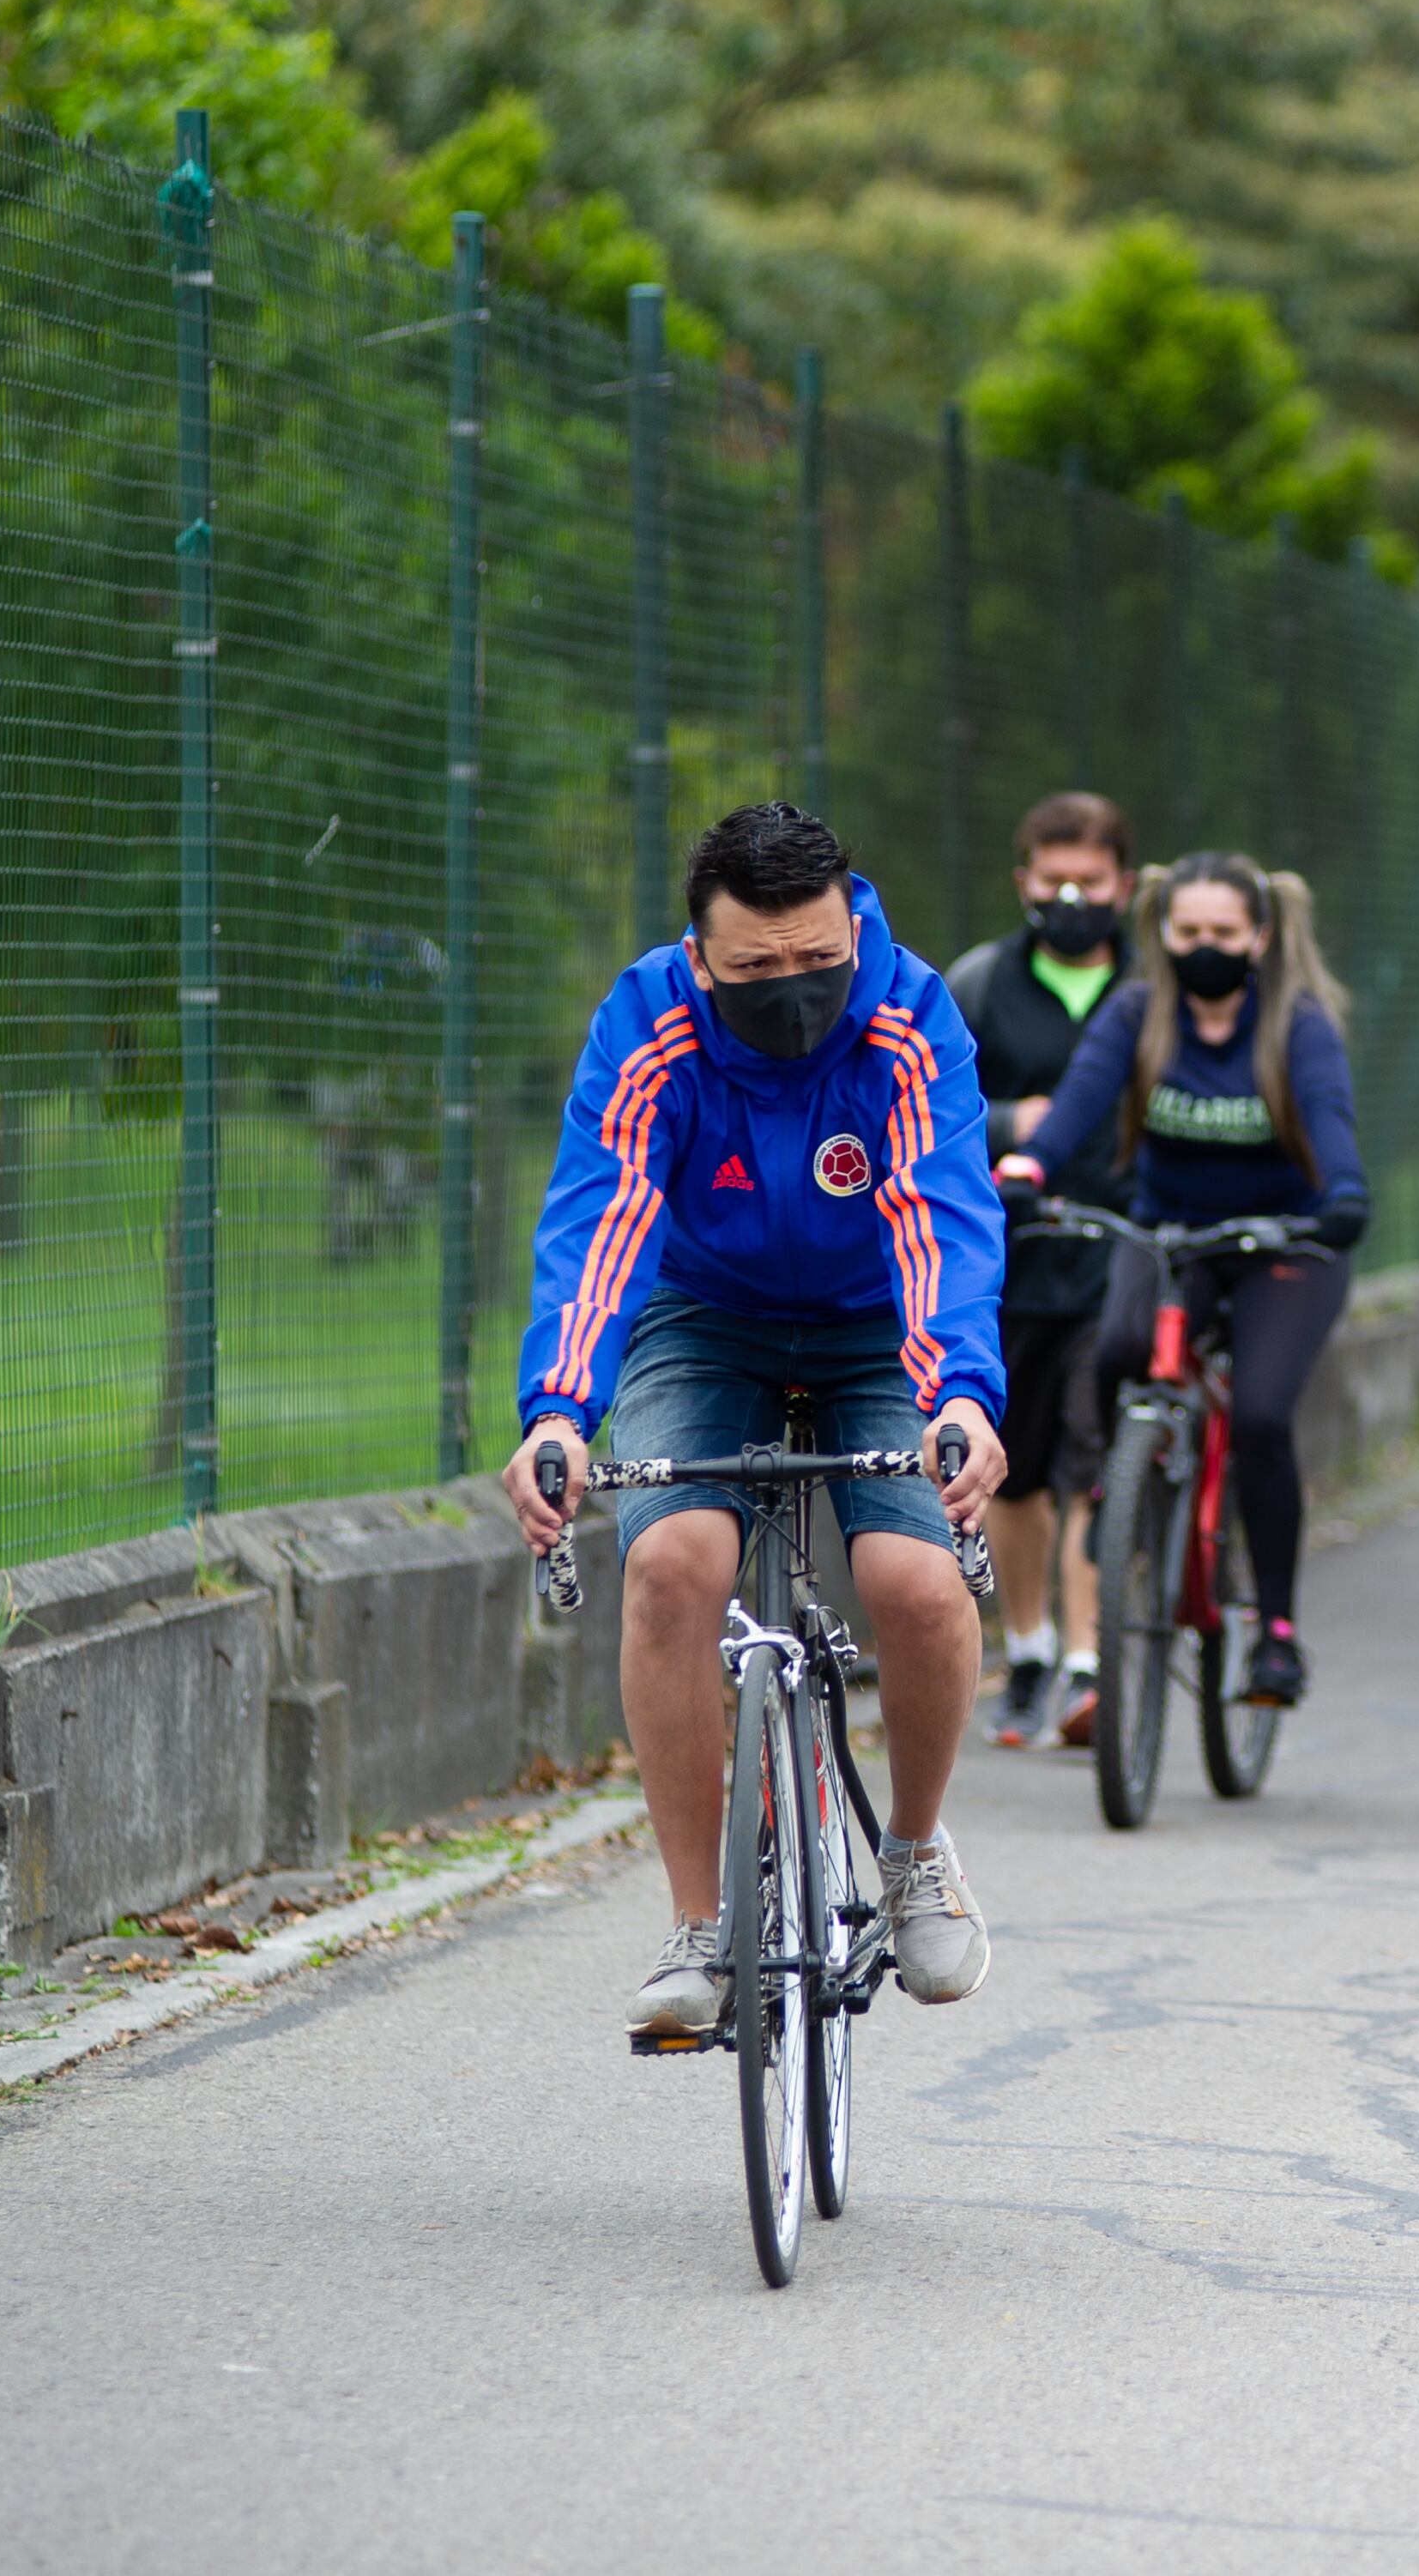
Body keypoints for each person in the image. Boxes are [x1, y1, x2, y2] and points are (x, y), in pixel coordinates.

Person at [501, 802, 1009, 2039]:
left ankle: (914, 1853)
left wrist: (957, 1391)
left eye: (818, 959)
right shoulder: (649, 1021)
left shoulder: (908, 1015)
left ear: (853, 930)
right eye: (755, 968)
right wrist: (560, 1412)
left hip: (878, 1321)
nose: (793, 988)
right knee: (672, 1564)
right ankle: (700, 1925)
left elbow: (938, 1210)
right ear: (699, 955)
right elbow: (603, 1213)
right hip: (706, 1316)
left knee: (917, 1581)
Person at [999, 852, 1369, 1710]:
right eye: (1189, 930)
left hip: (1287, 1239)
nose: (1206, 945)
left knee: (1262, 1416)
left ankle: (1276, 1634)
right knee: (1121, 1347)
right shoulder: (1139, 1013)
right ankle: (1122, 1487)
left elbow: (1329, 1115)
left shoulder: (1295, 1022)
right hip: (1172, 1231)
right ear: (1163, 932)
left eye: (1224, 932)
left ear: (1260, 937)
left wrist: (1345, 1194)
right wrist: (1030, 1165)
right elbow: (1079, 1101)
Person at [943, 792, 1137, 1751]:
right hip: (1007, 1259)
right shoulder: (978, 985)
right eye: (1053, 880)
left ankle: (1088, 1669)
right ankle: (1027, 1651)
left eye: (1089, 882)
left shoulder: (1153, 987)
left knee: (1094, 1461)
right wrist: (1015, 1123)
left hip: (1119, 1255)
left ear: (1124, 885)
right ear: (1023, 881)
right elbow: (927, 1105)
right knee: (1013, 1475)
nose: (1070, 899)